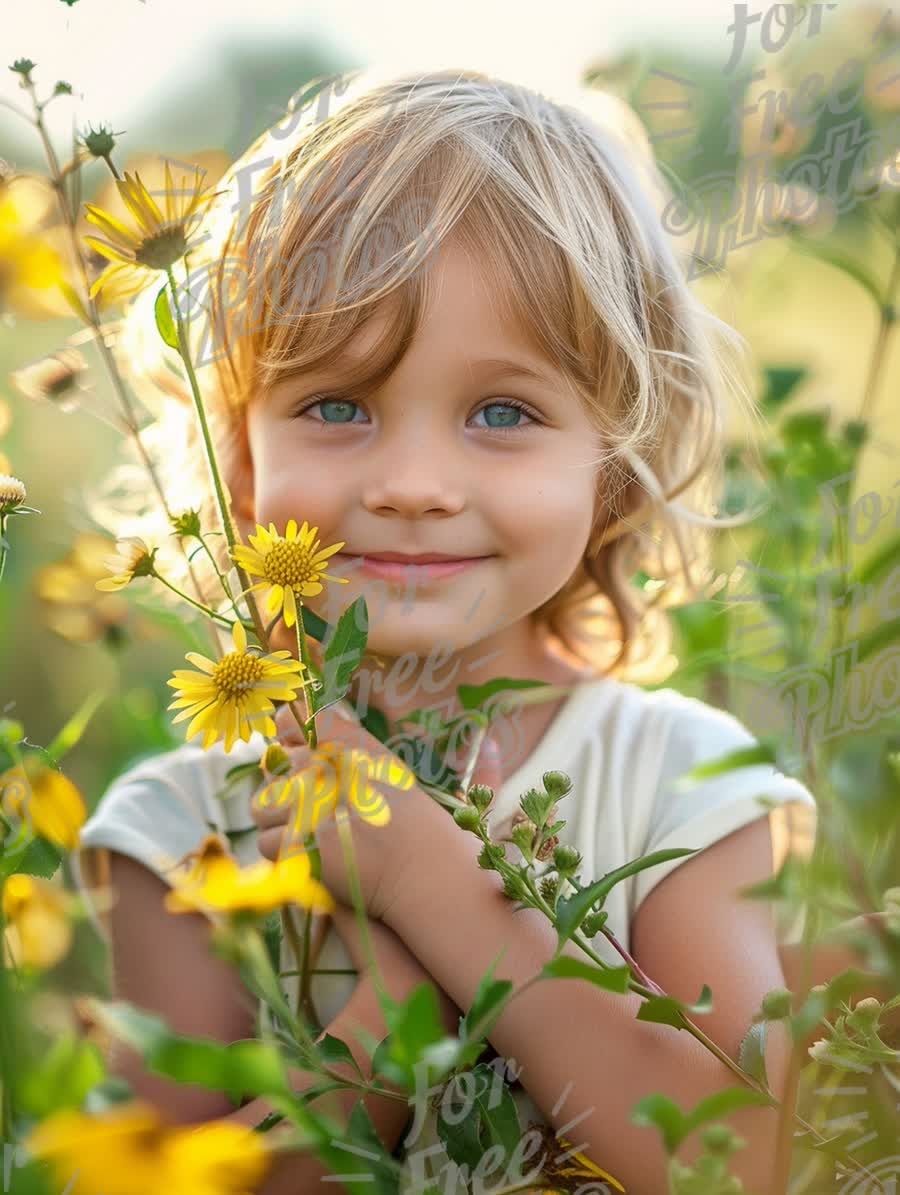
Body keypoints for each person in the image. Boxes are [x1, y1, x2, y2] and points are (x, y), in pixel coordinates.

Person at [72, 65, 823, 1193]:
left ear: (614, 468)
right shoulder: (184, 830)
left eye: (502, 412)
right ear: (241, 455)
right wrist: (387, 1033)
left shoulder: (684, 783)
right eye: (338, 404)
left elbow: (737, 1160)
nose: (415, 483)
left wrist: (434, 884)